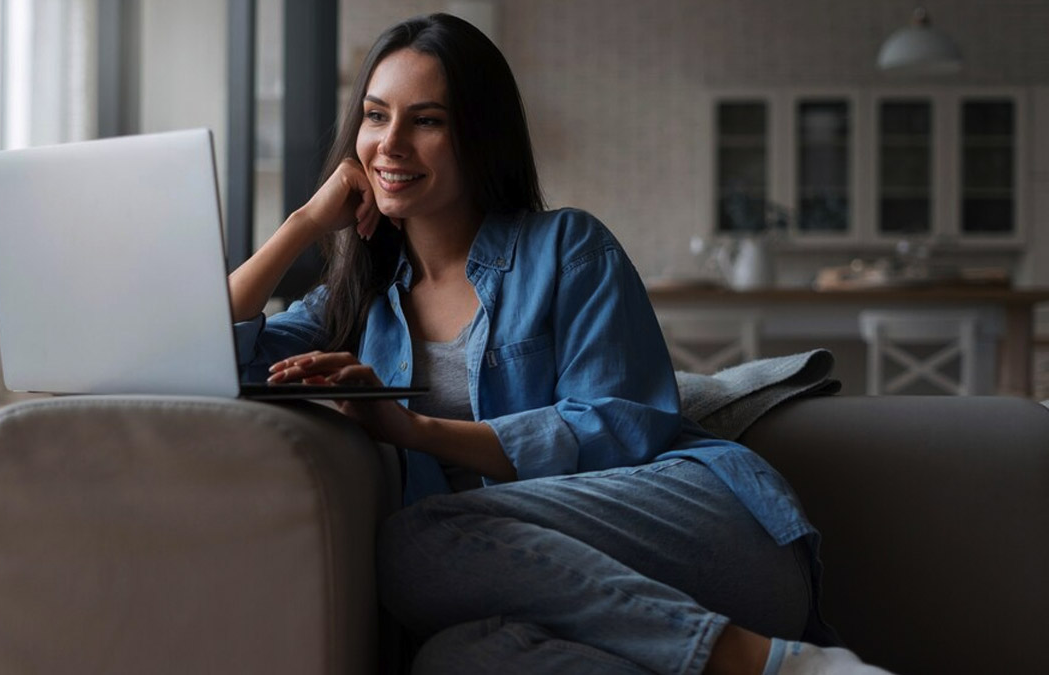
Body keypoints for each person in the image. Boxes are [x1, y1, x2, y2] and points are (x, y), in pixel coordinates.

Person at [228, 12, 895, 675]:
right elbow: (213, 348)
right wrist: (306, 221)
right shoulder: (359, 300)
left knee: (418, 537)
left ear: (479, 136)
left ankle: (777, 664)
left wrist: (414, 428)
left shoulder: (568, 247)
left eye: (426, 120)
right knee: (456, 658)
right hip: (549, 589)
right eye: (376, 116)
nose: (390, 144)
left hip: (703, 536)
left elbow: (617, 426)